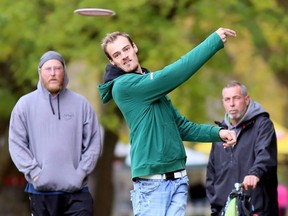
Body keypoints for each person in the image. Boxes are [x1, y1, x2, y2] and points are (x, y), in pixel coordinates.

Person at [97, 27, 236, 216]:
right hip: (152, 185)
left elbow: (182, 127)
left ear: (134, 47)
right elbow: (174, 74)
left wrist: (218, 133)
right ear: (112, 61)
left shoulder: (150, 85)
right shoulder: (124, 86)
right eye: (117, 54)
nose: (124, 56)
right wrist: (213, 42)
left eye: (126, 49)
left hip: (178, 180)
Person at [8, 51, 102, 216]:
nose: (53, 73)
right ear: (40, 72)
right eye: (48, 69)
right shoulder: (25, 105)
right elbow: (16, 144)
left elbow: (94, 143)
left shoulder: (81, 104)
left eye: (57, 68)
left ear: (64, 71)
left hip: (78, 192)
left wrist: (80, 173)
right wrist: (35, 173)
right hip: (41, 193)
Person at [206, 81, 278, 216]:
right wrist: (216, 208)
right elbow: (211, 174)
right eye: (227, 99)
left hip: (257, 209)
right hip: (225, 211)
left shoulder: (263, 125)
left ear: (247, 99)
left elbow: (266, 155)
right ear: (223, 103)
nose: (231, 104)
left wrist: (255, 173)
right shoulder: (220, 133)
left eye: (236, 98)